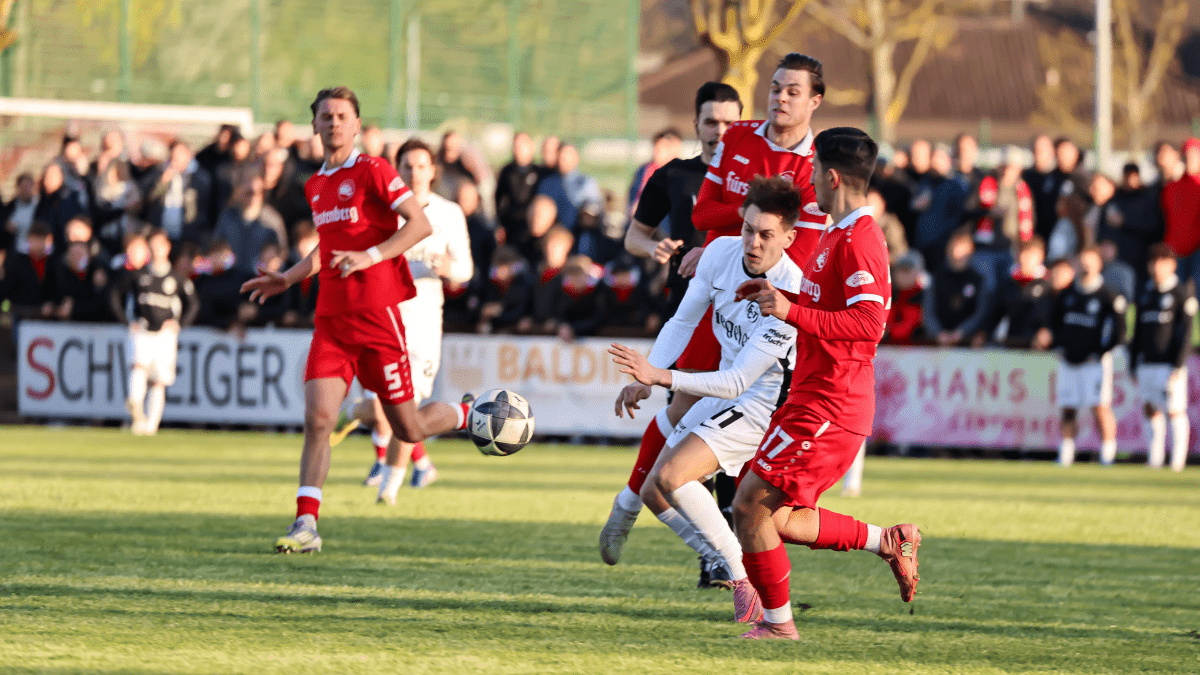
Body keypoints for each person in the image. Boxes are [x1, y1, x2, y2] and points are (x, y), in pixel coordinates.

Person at [240, 87, 474, 553]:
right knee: (319, 417)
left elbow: (418, 224)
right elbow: (326, 248)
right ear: (314, 126)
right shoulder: (315, 184)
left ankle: (470, 412)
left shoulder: (373, 169)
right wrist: (288, 277)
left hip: (378, 319)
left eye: (342, 116)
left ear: (356, 124)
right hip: (332, 320)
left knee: (407, 428)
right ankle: (306, 525)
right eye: (325, 115)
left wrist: (371, 256)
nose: (332, 123)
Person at [732, 128, 919, 640]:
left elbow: (867, 326)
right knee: (780, 518)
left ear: (831, 177)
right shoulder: (838, 233)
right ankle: (888, 540)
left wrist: (790, 310)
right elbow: (830, 311)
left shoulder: (861, 239)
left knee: (749, 505)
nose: (810, 178)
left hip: (832, 405)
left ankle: (778, 626)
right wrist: (779, 298)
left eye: (814, 170)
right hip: (813, 397)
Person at [606, 176, 804, 618]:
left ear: (788, 238)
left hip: (761, 406)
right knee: (656, 489)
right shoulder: (719, 253)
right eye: (749, 229)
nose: (753, 242)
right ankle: (733, 562)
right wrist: (646, 375)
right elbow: (682, 319)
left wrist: (659, 375)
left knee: (676, 476)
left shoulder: (790, 289)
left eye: (766, 235)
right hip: (726, 387)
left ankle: (740, 577)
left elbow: (737, 382)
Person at [614, 81, 743, 588]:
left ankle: (730, 556)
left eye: (729, 122)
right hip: (687, 316)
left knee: (728, 436)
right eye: (710, 121)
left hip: (743, 323)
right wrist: (654, 250)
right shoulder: (674, 175)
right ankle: (715, 558)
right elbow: (633, 234)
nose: (719, 131)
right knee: (693, 431)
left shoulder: (752, 180)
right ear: (696, 124)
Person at [365, 137, 473, 503]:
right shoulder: (382, 211)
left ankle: (390, 486)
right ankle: (411, 467)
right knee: (376, 409)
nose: (414, 172)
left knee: (405, 410)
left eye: (421, 165)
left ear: (433, 171)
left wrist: (448, 269)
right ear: (397, 170)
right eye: (407, 166)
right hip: (383, 320)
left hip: (424, 325)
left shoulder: (449, 213)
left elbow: (466, 270)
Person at [1038, 245, 1126, 467]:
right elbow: (1054, 323)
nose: (1085, 266)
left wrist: (1102, 352)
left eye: (1090, 261)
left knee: (1099, 406)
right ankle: (1066, 454)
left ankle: (1108, 454)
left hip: (1094, 363)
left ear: (1099, 264)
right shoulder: (1067, 294)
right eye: (1082, 261)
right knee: (1068, 407)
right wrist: (1053, 341)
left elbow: (1119, 331)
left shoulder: (1108, 296)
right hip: (1068, 361)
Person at [110, 230, 197, 435]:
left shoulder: (176, 278)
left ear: (167, 247)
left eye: (160, 245)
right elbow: (114, 294)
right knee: (139, 367)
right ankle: (136, 408)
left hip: (165, 335)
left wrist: (180, 324)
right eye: (153, 245)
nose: (157, 249)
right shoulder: (139, 275)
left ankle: (151, 425)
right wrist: (126, 321)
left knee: (159, 381)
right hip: (142, 329)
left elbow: (193, 304)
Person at [1130, 244, 1196, 471]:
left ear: (1172, 265)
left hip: (1169, 365)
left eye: (1162, 262)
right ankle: (1154, 459)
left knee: (1174, 411)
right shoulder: (1146, 294)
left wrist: (1177, 365)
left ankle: (1177, 462)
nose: (1157, 267)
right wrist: (1132, 363)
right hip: (1147, 363)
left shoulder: (1180, 294)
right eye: (1154, 262)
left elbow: (1185, 333)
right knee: (1150, 409)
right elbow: (1137, 332)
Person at [923, 230, 992, 346]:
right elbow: (928, 311)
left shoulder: (978, 280)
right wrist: (938, 333)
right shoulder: (937, 278)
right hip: (938, 344)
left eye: (963, 248)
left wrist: (962, 332)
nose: (958, 252)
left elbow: (981, 312)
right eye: (956, 247)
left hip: (968, 344)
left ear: (971, 250)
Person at [211, 167, 285, 275]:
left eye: (258, 192)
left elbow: (282, 253)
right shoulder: (227, 216)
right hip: (230, 277)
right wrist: (220, 254)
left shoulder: (272, 220)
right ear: (238, 191)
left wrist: (273, 261)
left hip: (260, 278)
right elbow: (215, 245)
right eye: (249, 192)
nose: (253, 197)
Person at [1103, 163, 1163, 291]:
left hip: (1141, 255)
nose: (1130, 181)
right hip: (1119, 255)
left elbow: (1153, 227)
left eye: (1133, 176)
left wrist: (1125, 223)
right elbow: (1107, 224)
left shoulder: (1148, 198)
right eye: (1127, 177)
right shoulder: (1115, 199)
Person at [140, 141, 212, 245]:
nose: (176, 159)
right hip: (161, 235)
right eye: (173, 156)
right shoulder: (160, 172)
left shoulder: (201, 177)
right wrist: (162, 183)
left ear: (189, 155)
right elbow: (147, 199)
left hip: (188, 236)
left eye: (179, 155)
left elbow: (205, 207)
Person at [990, 236, 1054, 348]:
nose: (1027, 258)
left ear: (1041, 256)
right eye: (1024, 253)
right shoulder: (1009, 284)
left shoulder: (1049, 286)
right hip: (1010, 346)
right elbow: (995, 315)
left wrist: (1046, 332)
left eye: (1032, 254)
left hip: (1038, 350)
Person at [494, 132, 542, 263]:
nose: (518, 150)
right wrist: (499, 223)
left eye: (522, 146)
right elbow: (498, 199)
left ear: (531, 147)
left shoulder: (539, 172)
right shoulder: (507, 171)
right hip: (511, 227)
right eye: (515, 146)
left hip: (532, 228)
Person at [1161, 138, 1200, 294]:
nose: (1189, 160)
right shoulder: (1172, 187)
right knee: (1176, 294)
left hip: (1197, 249)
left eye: (1194, 156)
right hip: (1175, 249)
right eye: (1186, 156)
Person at [626, 128, 682, 219]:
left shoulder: (682, 172)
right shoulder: (644, 171)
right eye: (658, 147)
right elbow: (633, 203)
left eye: (669, 147)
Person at [1023, 134, 1059, 241]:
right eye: (1035, 150)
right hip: (1030, 236)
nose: (1037, 154)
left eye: (1041, 150)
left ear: (1052, 152)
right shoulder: (1025, 177)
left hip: (1053, 234)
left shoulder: (1058, 176)